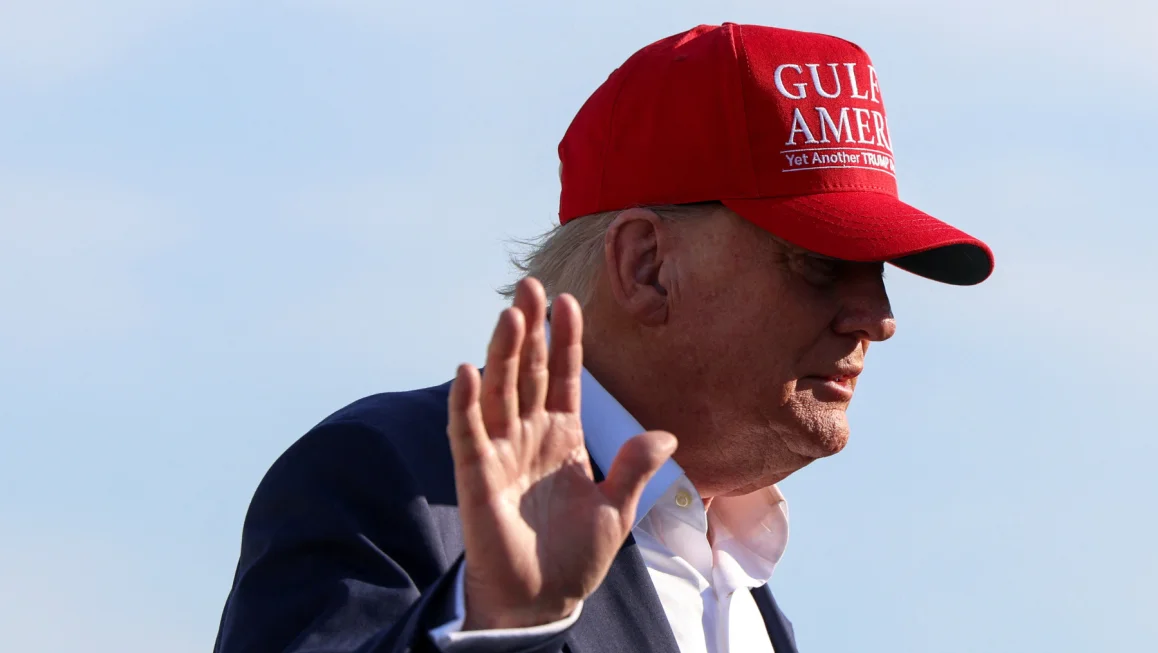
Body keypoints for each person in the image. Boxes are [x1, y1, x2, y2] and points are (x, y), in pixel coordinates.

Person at [212, 22, 994, 653]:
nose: (877, 317)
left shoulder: (746, 588)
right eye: (821, 263)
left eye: (880, 271)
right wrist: (492, 627)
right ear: (646, 265)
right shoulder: (394, 480)